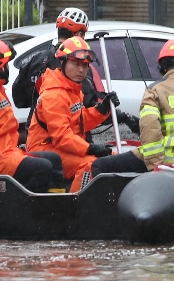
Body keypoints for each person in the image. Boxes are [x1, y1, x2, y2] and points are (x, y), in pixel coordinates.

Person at [91, 38, 174, 176]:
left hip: (161, 162)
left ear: (163, 65)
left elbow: (150, 130)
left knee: (99, 165)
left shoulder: (155, 90)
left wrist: (157, 166)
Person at [12, 8, 139, 138]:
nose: (81, 68)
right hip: (67, 138)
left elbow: (19, 100)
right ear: (79, 35)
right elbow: (89, 106)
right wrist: (119, 115)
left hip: (35, 134)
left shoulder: (36, 59)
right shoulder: (76, 65)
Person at [0, 38, 64, 192]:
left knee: (53, 159)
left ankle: (56, 206)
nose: (8, 67)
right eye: (7, 64)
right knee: (43, 167)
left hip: (6, 153)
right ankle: (27, 209)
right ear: (1, 68)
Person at [27, 37, 119, 192]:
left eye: (85, 65)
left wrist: (102, 110)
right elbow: (62, 136)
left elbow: (78, 121)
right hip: (45, 148)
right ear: (62, 63)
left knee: (114, 158)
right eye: (76, 64)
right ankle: (76, 205)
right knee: (90, 165)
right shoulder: (54, 94)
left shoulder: (72, 88)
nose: (81, 70)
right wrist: (90, 148)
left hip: (62, 146)